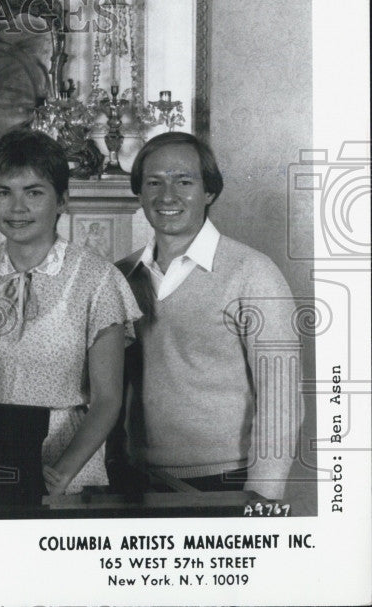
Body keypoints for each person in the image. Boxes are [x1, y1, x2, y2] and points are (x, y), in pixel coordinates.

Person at [114, 131, 301, 499]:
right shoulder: (120, 275)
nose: (167, 196)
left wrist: (263, 497)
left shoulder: (253, 273)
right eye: (154, 182)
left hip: (228, 481)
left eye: (184, 181)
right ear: (139, 193)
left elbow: (281, 400)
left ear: (209, 192)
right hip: (135, 479)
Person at [0, 128, 142, 495]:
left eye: (34, 192)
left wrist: (60, 474)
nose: (17, 208)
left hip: (68, 467)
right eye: (4, 192)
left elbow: (108, 399)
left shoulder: (98, 280)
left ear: (62, 201)